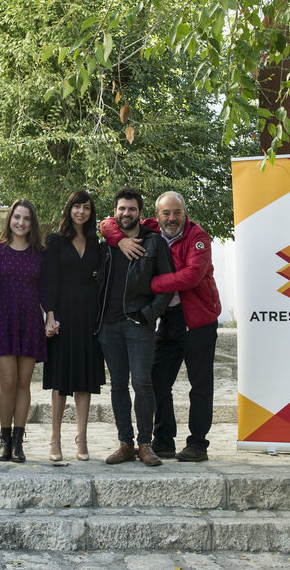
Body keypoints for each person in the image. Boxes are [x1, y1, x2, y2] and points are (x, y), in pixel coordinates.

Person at [101, 191, 221, 462]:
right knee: (157, 380)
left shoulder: (198, 237)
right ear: (156, 215)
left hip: (198, 319)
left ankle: (197, 444)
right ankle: (164, 441)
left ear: (185, 213)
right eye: (166, 213)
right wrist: (121, 241)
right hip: (168, 318)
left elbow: (191, 276)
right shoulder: (151, 229)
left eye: (177, 212)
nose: (171, 218)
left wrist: (152, 285)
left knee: (200, 384)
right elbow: (108, 224)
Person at [95, 187, 173, 467]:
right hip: (108, 326)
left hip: (138, 324)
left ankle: (145, 444)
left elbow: (167, 285)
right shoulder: (106, 244)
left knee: (142, 383)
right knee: (118, 384)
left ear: (140, 212)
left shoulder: (155, 243)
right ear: (115, 211)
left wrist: (148, 314)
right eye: (121, 208)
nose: (126, 213)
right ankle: (125, 444)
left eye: (131, 209)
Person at [41, 190, 106, 462]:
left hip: (89, 315)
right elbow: (48, 280)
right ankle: (54, 439)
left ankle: (82, 438)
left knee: (84, 379)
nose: (81, 212)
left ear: (91, 212)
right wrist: (50, 315)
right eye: (77, 207)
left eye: (86, 207)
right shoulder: (55, 241)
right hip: (62, 314)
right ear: (69, 209)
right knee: (60, 378)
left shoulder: (95, 242)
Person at [0, 199, 46, 463]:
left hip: (30, 320)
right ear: (9, 219)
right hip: (2, 320)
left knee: (23, 383)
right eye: (17, 217)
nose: (21, 222)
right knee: (8, 382)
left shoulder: (40, 253)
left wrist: (51, 316)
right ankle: (4, 439)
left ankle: (19, 442)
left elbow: (47, 289)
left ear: (32, 223)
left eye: (26, 218)